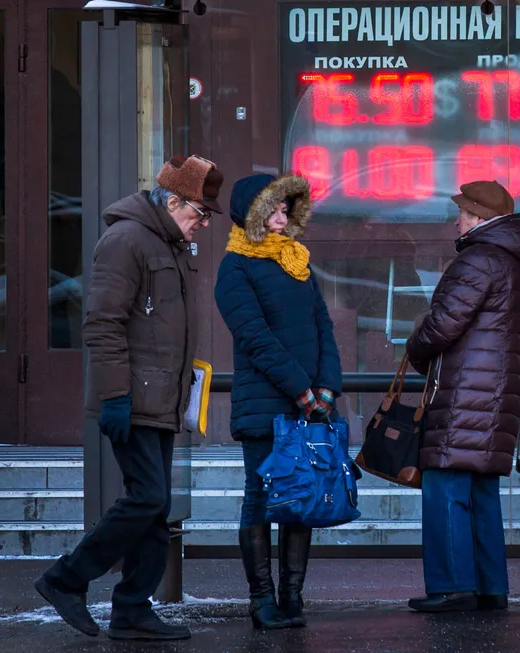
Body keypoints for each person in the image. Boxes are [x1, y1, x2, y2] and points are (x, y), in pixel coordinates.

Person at [34, 155, 225, 640]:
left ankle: (133, 610)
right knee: (147, 498)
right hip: (134, 397)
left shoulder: (169, 244)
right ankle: (66, 578)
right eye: (198, 214)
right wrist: (116, 396)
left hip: (160, 398)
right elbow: (102, 323)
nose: (202, 225)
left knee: (155, 506)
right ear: (173, 201)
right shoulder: (126, 241)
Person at [404, 181, 520, 613]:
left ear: (482, 218)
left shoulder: (478, 259)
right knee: (481, 491)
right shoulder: (512, 262)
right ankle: (489, 587)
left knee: (445, 486)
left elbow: (443, 324)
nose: (458, 220)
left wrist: (414, 348)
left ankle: (451, 586)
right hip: (496, 393)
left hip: (466, 391)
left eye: (464, 213)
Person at [214, 173, 341, 629]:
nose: (283, 218)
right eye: (274, 210)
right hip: (265, 405)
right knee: (261, 498)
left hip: (308, 404)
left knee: (301, 497)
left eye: (287, 210)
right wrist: (301, 390)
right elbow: (255, 338)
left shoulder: (297, 261)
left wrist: (327, 386)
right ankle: (262, 600)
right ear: (253, 215)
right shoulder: (235, 267)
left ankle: (293, 598)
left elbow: (323, 326)